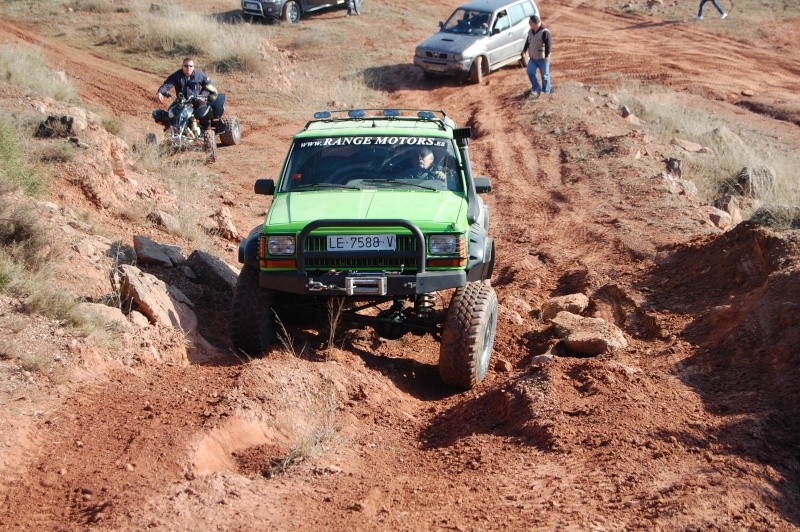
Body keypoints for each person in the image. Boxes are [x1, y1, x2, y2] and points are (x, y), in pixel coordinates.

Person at [155, 57, 226, 131]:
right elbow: (167, 84)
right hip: (181, 101)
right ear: (182, 66)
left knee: (203, 112)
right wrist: (160, 92)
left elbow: (208, 86)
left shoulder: (200, 74)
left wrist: (202, 95)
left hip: (197, 99)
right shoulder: (176, 75)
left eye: (190, 66)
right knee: (171, 113)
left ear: (193, 67)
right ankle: (171, 132)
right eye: (186, 66)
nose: (188, 68)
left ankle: (207, 129)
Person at [521, 15, 552, 98]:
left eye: (530, 22)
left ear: (534, 23)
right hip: (533, 58)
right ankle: (536, 88)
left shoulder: (545, 32)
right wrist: (524, 50)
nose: (529, 24)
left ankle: (546, 92)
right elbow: (528, 41)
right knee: (530, 72)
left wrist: (547, 55)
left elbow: (548, 45)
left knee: (545, 76)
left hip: (542, 59)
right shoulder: (531, 31)